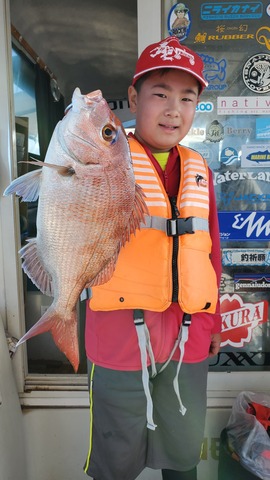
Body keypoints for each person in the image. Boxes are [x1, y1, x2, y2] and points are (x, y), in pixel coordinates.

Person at [84, 35, 222, 480]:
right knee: (115, 464)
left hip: (188, 339)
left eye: (187, 97)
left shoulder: (200, 169)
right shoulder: (103, 158)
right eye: (159, 94)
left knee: (183, 459)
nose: (173, 109)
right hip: (119, 336)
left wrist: (212, 319)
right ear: (133, 98)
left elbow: (210, 251)